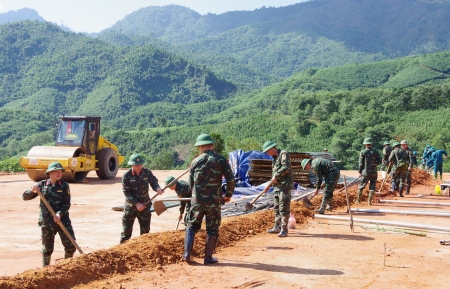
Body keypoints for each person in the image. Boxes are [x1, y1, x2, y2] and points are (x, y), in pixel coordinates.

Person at [183, 134, 235, 265]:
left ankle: (186, 255)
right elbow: (230, 179)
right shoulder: (221, 160)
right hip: (214, 201)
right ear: (212, 145)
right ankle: (208, 257)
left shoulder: (195, 161)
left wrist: (195, 195)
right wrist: (228, 194)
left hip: (197, 201)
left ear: (200, 147)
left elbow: (190, 183)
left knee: (191, 225)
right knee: (212, 228)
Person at [22, 162, 76, 267]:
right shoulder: (41, 185)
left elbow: (66, 204)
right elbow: (25, 197)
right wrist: (32, 191)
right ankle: (45, 270)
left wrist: (59, 214)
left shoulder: (64, 186)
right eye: (56, 171)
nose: (59, 173)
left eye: (60, 171)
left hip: (62, 220)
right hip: (47, 222)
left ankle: (67, 268)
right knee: (47, 249)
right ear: (50, 172)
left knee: (70, 246)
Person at [120, 153, 163, 244]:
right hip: (131, 208)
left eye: (140, 164)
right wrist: (136, 204)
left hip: (145, 206)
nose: (139, 167)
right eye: (137, 165)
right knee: (126, 234)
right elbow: (126, 192)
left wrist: (157, 188)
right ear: (132, 165)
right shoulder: (127, 175)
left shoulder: (147, 172)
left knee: (145, 234)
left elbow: (153, 182)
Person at [262, 141, 293, 237]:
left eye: (267, 151)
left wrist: (276, 175)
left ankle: (284, 229)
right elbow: (274, 175)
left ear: (271, 149)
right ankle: (277, 227)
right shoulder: (274, 159)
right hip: (277, 187)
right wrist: (269, 185)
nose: (267, 154)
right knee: (276, 208)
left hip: (285, 186)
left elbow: (286, 167)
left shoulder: (283, 154)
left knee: (283, 208)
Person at [356, 138, 382, 205]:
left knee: (361, 186)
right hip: (374, 172)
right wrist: (374, 164)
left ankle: (358, 201)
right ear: (371, 144)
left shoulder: (363, 152)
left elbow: (361, 163)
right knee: (372, 186)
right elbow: (379, 161)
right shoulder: (376, 151)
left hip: (365, 172)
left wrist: (360, 171)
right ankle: (369, 202)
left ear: (365, 144)